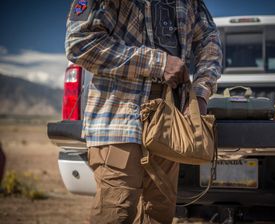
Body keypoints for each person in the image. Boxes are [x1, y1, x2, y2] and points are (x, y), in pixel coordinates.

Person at [65, 0, 222, 223]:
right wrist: (158, 63)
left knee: (159, 214)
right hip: (119, 122)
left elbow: (210, 42)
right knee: (116, 212)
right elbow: (80, 43)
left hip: (171, 126)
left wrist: (200, 92)